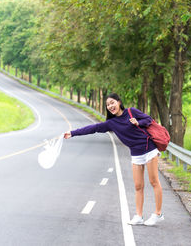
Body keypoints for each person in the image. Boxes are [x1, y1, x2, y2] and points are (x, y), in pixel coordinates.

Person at [64, 93, 164, 226]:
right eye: (108, 105)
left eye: (112, 102)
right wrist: (72, 133)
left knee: (154, 181)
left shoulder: (131, 111)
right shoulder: (111, 123)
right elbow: (93, 128)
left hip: (149, 149)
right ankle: (138, 216)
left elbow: (149, 120)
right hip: (136, 153)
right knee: (138, 186)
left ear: (119, 102)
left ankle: (158, 214)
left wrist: (138, 122)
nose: (111, 106)